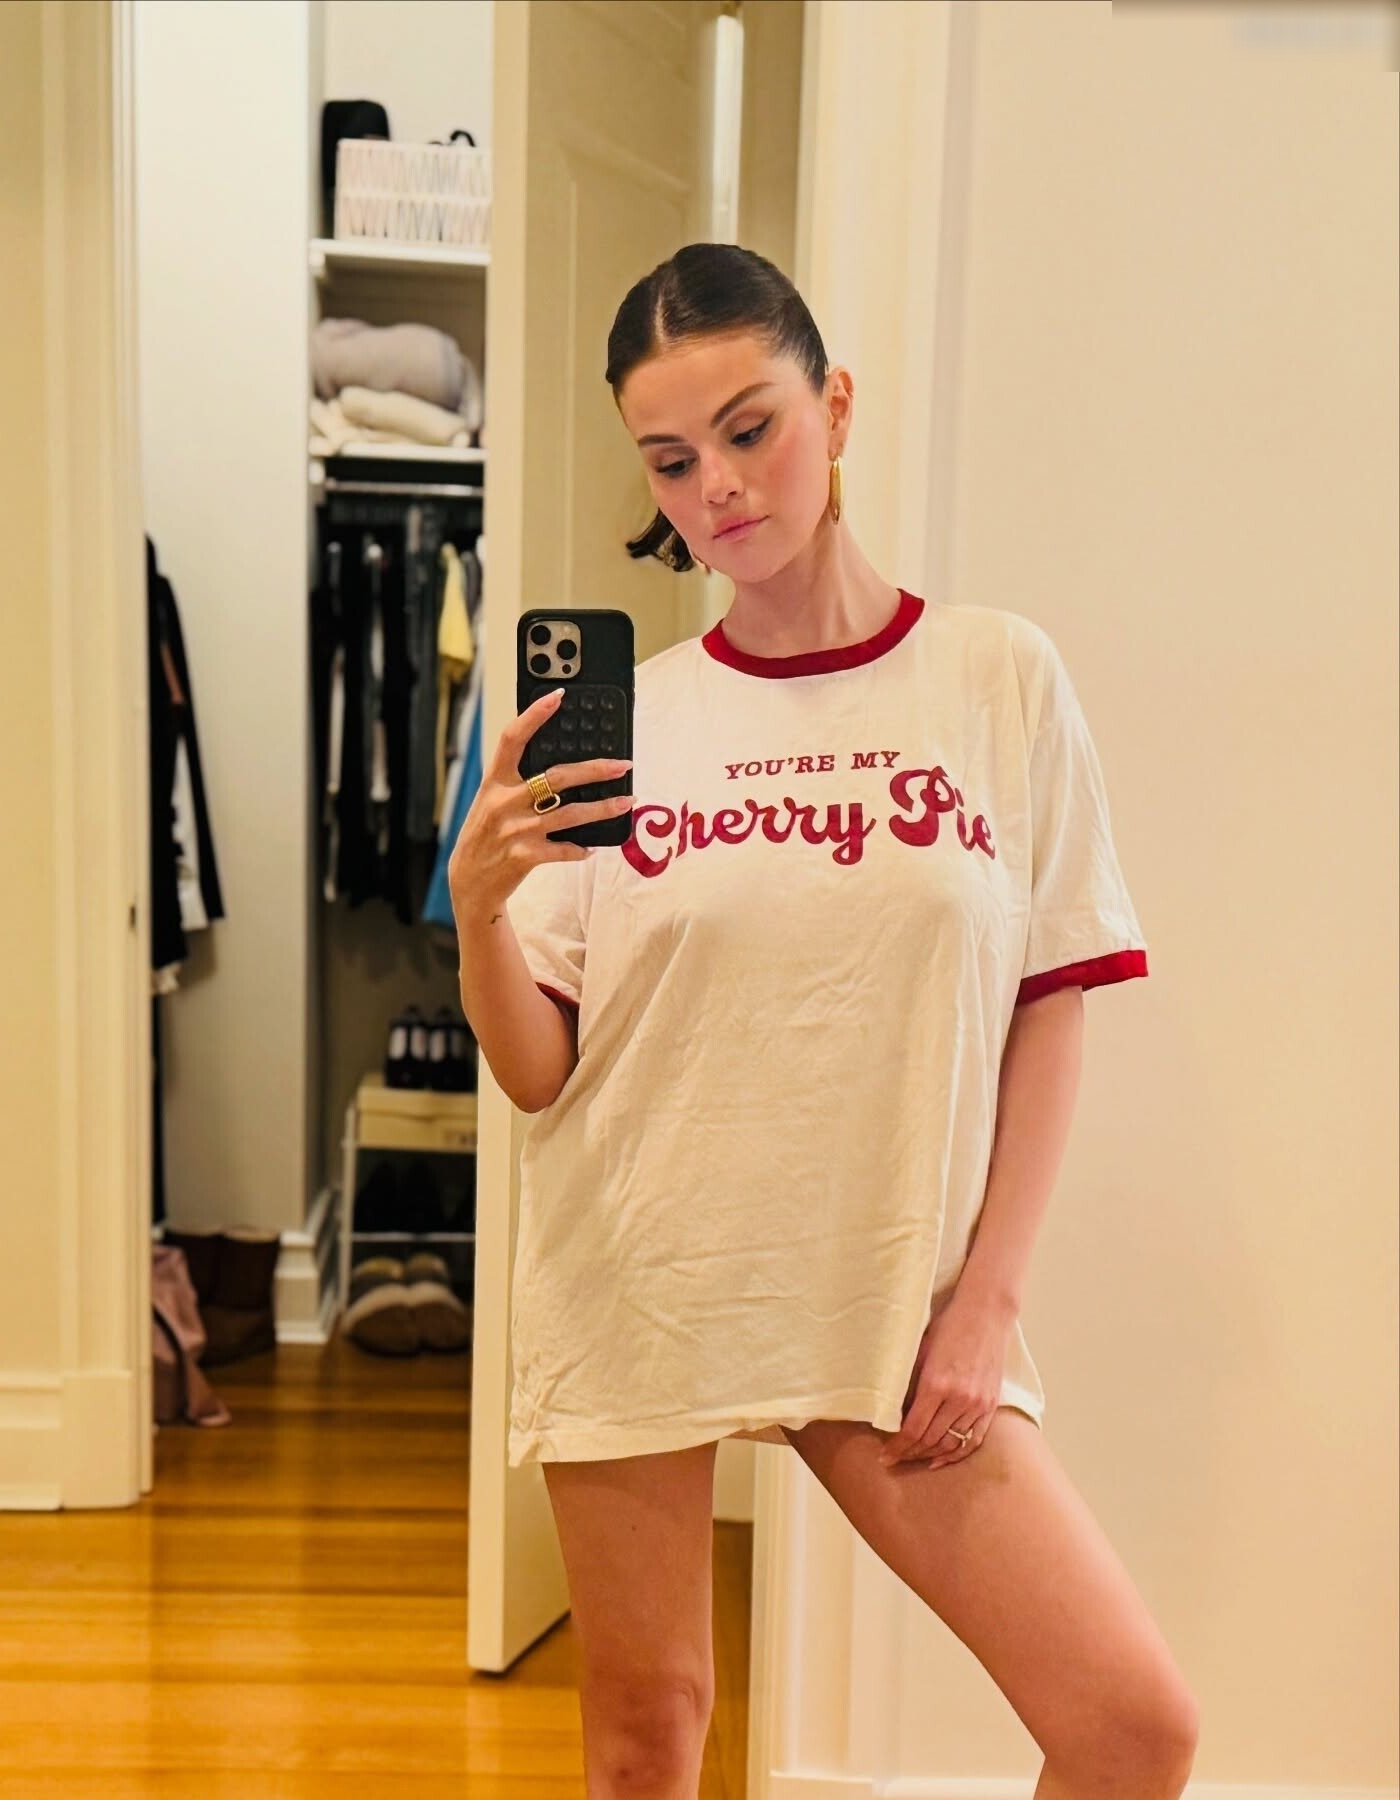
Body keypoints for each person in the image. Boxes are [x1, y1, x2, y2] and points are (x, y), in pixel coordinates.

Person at [447, 244, 1199, 1799]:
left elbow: (1052, 1000)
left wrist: (987, 1303)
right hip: (639, 1280)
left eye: (750, 428)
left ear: (834, 406)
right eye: (671, 460)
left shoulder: (994, 675)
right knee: (647, 1733)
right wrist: (477, 915)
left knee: (1130, 1727)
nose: (716, 487)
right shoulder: (630, 720)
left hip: (886, 1293)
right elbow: (538, 1073)